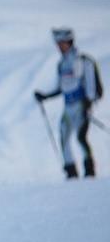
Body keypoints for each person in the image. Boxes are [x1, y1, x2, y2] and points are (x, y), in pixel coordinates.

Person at [34, 28, 101, 178]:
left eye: (62, 43)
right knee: (64, 137)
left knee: (81, 137)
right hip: (68, 107)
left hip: (80, 106)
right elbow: (61, 87)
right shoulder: (62, 64)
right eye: (58, 44)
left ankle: (89, 171)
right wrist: (44, 96)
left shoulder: (83, 61)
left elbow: (90, 85)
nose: (59, 46)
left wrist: (88, 104)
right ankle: (71, 172)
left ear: (69, 42)